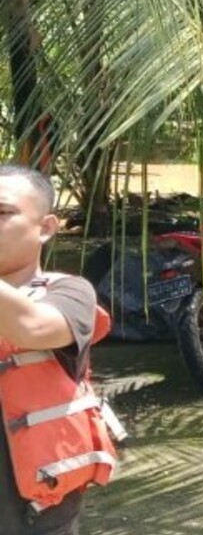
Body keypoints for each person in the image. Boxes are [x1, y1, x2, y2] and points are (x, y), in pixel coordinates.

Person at [0, 164, 102, 534]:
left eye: (2, 213)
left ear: (45, 228)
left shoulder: (71, 293)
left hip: (35, 516)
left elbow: (33, 327)